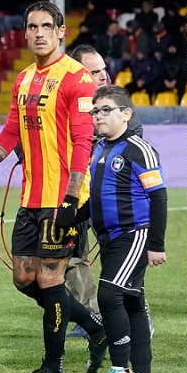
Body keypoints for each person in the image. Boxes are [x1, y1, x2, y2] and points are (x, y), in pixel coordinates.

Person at [0, 1, 108, 373]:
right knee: (24, 278)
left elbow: (83, 141)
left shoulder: (78, 78)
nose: (39, 33)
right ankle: (94, 327)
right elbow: (10, 132)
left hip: (62, 200)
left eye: (46, 26)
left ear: (61, 32)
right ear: (25, 33)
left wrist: (71, 199)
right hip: (30, 198)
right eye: (32, 27)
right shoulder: (23, 80)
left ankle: (53, 369)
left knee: (51, 280)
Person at [82, 85, 166, 373]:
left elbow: (158, 197)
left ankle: (121, 370)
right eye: (95, 111)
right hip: (108, 239)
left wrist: (156, 244)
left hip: (134, 234)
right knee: (132, 302)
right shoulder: (100, 149)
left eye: (106, 110)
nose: (98, 116)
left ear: (126, 114)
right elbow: (97, 196)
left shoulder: (138, 149)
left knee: (108, 296)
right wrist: (71, 217)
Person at [64, 44, 145, 338]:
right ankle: (92, 316)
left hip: (111, 197)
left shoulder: (119, 105)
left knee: (119, 255)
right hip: (74, 191)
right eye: (94, 71)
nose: (102, 75)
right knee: (73, 255)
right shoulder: (66, 102)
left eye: (103, 70)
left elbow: (132, 140)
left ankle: (136, 318)